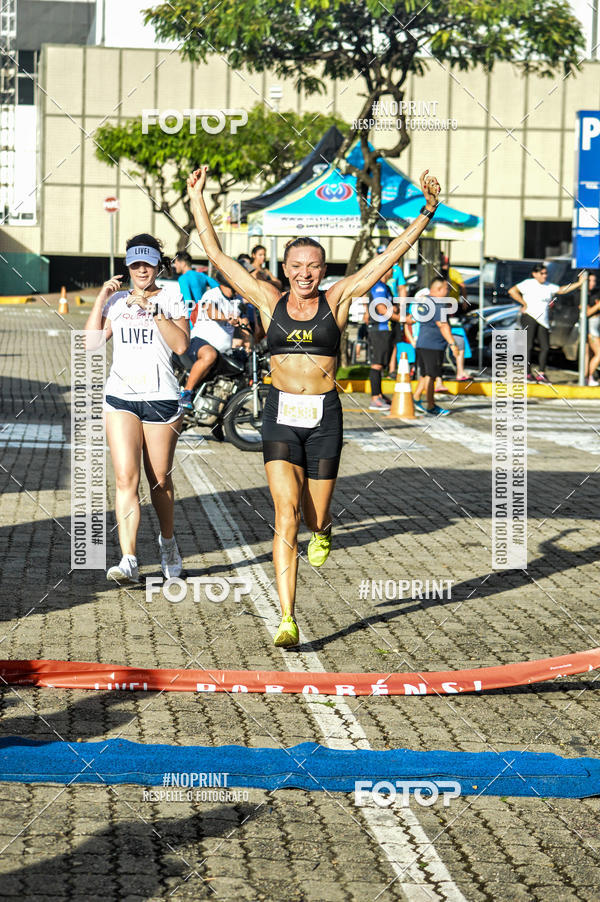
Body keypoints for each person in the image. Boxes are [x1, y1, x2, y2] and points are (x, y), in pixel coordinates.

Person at [187, 164, 441, 647]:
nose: (305, 274)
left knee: (313, 516)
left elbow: (386, 258)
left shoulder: (338, 298)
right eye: (296, 267)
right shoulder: (266, 298)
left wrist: (425, 213)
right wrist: (197, 196)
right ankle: (288, 618)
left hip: (324, 417)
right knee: (285, 513)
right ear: (285, 269)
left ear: (323, 271)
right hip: (280, 415)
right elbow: (216, 253)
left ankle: (325, 528)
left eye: (314, 267)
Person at [85, 234, 190, 584]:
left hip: (161, 397)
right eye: (135, 265)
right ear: (128, 267)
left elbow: (180, 345)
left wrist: (155, 310)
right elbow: (91, 343)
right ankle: (128, 557)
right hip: (121, 398)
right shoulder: (116, 301)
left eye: (147, 264)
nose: (141, 270)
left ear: (157, 266)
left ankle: (168, 543)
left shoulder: (173, 296)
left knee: (159, 481)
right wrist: (102, 296)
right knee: (125, 477)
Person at [508, 263, 585, 383]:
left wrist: (579, 283)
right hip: (530, 316)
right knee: (528, 346)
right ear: (535, 274)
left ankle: (541, 373)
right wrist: (523, 303)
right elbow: (512, 291)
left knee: (545, 347)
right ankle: (527, 373)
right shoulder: (528, 283)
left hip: (543, 320)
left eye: (546, 273)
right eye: (541, 273)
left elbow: (562, 290)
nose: (544, 276)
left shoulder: (548, 286)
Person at [180, 273, 243, 409]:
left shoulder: (238, 300)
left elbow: (241, 325)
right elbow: (210, 311)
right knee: (210, 355)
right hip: (199, 342)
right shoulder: (213, 295)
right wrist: (226, 317)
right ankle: (186, 393)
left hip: (224, 350)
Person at [413, 277, 459, 416]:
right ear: (439, 289)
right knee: (431, 376)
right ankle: (431, 405)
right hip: (433, 345)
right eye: (447, 288)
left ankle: (415, 398)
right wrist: (452, 343)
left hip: (422, 343)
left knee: (426, 374)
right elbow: (443, 324)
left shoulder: (425, 301)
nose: (448, 291)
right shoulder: (439, 304)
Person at [365, 264, 395, 410]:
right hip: (379, 329)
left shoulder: (386, 287)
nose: (393, 271)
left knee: (381, 364)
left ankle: (380, 395)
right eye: (391, 268)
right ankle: (375, 398)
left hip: (385, 329)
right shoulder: (378, 286)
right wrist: (401, 318)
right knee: (376, 364)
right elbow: (382, 309)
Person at [173, 251, 218, 322]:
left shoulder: (183, 278)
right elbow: (218, 287)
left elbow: (187, 300)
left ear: (183, 263)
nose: (174, 265)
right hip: (204, 316)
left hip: (192, 319)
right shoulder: (202, 275)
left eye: (175, 262)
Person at [585, 272, 600, 385]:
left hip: (596, 326)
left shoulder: (596, 293)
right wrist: (598, 306)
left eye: (594, 281)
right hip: (590, 328)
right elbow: (587, 312)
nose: (592, 283)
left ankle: (587, 377)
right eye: (590, 281)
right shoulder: (582, 294)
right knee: (599, 353)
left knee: (589, 354)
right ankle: (589, 377)